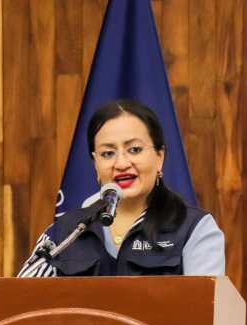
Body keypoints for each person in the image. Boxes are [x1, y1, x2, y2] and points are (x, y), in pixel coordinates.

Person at [18, 99, 224, 277]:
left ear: (159, 157)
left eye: (134, 149)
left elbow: (205, 306)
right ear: (95, 163)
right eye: (108, 153)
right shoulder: (66, 232)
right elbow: (20, 299)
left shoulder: (194, 228)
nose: (121, 163)